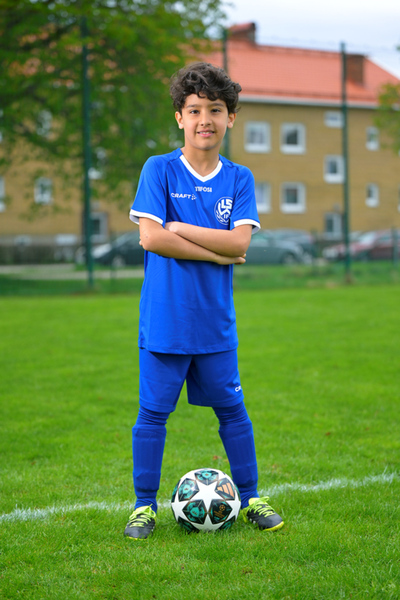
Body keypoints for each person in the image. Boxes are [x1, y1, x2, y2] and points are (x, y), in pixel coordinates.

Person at [124, 62, 284, 540]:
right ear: (179, 117)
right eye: (194, 110)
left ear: (230, 117)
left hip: (215, 323)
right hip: (166, 320)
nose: (204, 120)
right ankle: (144, 507)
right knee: (152, 414)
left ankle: (251, 497)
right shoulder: (159, 169)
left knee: (233, 412)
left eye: (215, 109)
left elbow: (240, 243)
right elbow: (151, 238)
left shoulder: (239, 178)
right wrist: (217, 253)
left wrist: (181, 228)